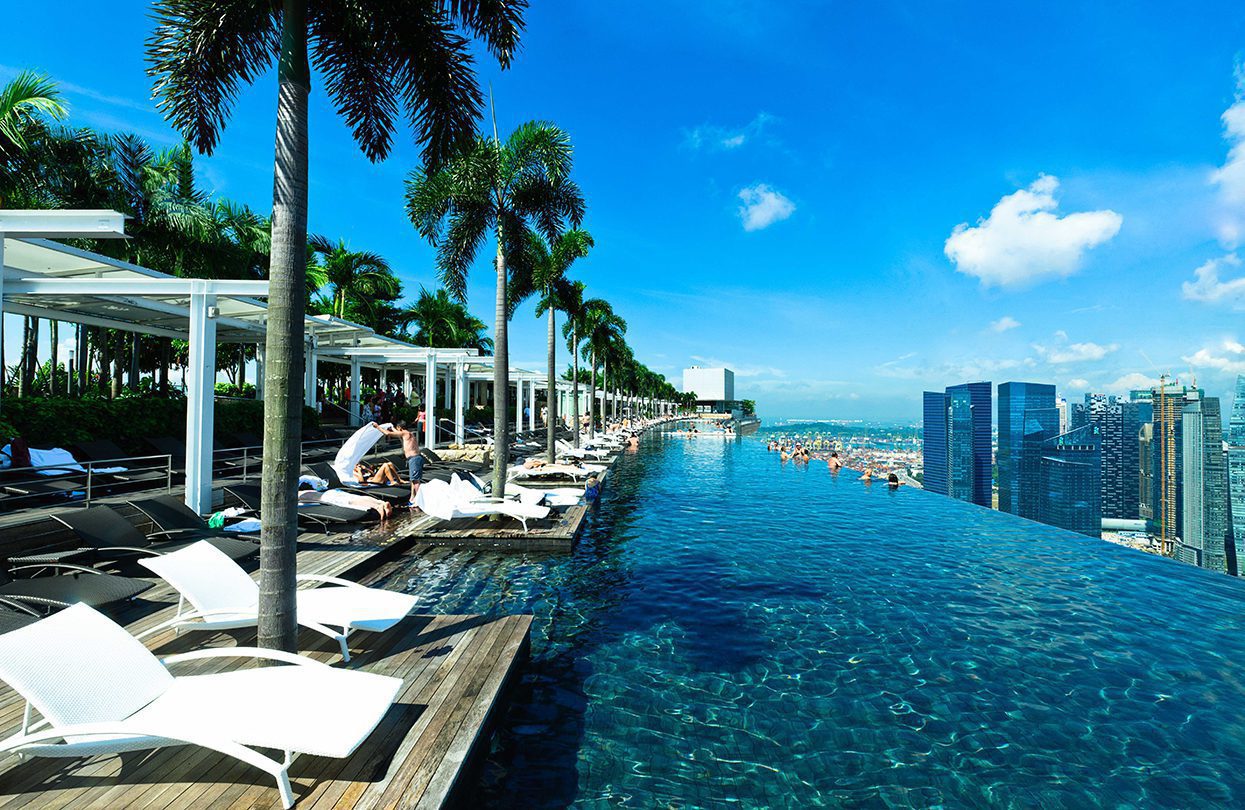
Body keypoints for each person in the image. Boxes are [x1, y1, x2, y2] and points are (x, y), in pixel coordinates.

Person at [372, 420, 423, 506]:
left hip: (414, 459)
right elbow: (397, 433)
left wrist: (377, 427)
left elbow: (387, 434)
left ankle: (420, 500)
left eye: (397, 428)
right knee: (413, 479)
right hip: (415, 459)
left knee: (415, 481)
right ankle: (413, 497)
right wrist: (392, 428)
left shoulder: (404, 434)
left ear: (400, 427)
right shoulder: (408, 433)